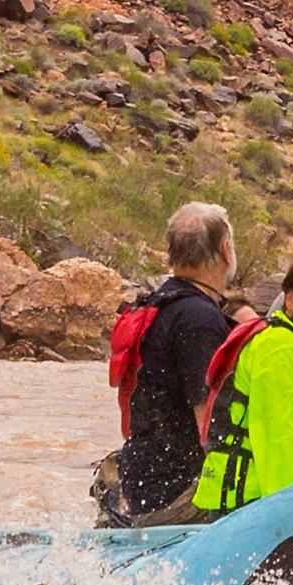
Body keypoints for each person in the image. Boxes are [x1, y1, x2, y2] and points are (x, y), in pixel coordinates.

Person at [101, 200, 246, 522]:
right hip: (174, 492)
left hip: (140, 478)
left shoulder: (158, 305)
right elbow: (207, 423)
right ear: (225, 250)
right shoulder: (199, 320)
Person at [196, 247, 293, 515]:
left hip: (250, 501)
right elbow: (279, 444)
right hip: (249, 506)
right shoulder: (281, 348)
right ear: (290, 301)